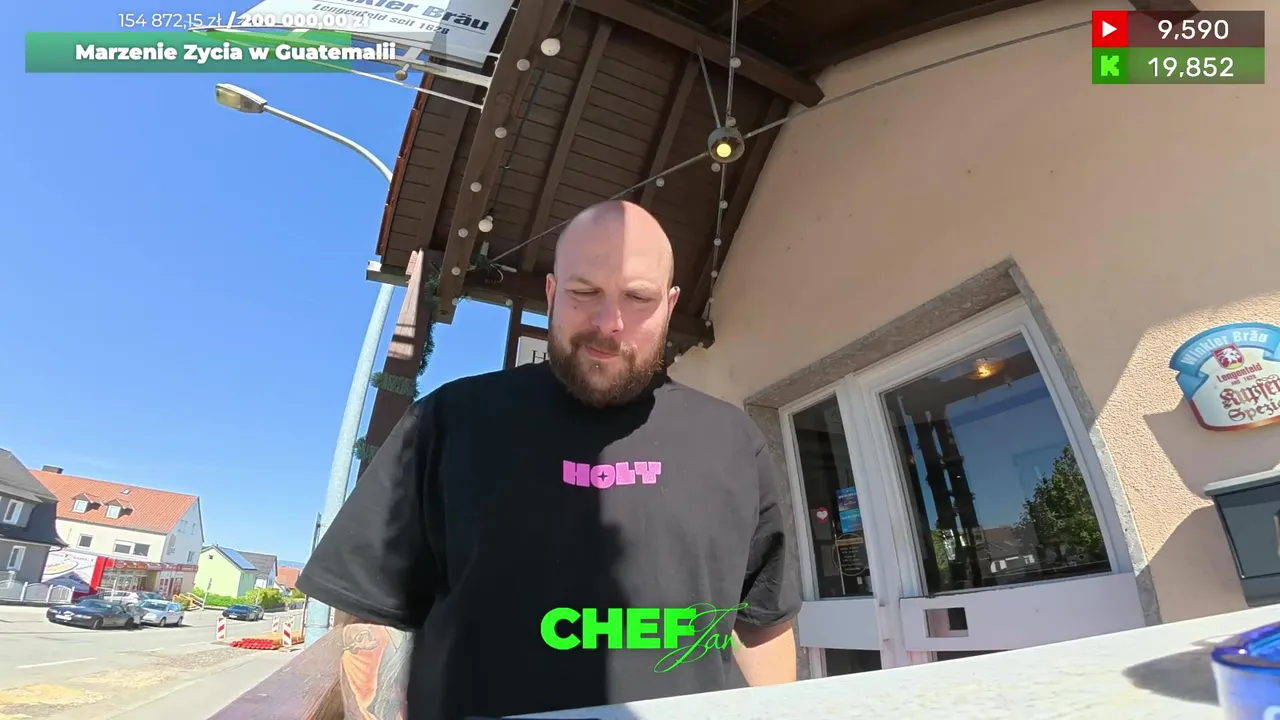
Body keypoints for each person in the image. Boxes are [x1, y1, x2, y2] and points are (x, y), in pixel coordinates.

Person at [297, 200, 802, 720]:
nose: (609, 323)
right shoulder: (448, 423)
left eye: (638, 297)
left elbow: (762, 625)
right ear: (552, 292)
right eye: (585, 292)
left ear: (670, 306)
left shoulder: (732, 442)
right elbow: (369, 614)